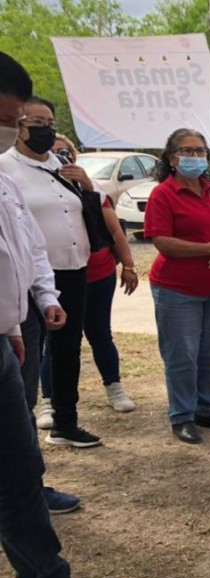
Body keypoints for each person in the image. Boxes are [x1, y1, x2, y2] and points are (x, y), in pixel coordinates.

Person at [0, 48, 125, 578]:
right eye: (12, 119)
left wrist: (29, 308)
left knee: (19, 468)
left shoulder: (23, 177)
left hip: (10, 332)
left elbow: (23, 246)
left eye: (15, 117)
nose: (15, 128)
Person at [0, 96, 104, 448]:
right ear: (19, 126)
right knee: (30, 350)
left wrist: (87, 185)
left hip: (73, 268)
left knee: (68, 348)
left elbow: (91, 211)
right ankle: (29, 421)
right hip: (28, 280)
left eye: (50, 123)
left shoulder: (60, 165)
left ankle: (66, 420)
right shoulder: (7, 169)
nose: (46, 131)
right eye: (37, 124)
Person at [144, 128, 210, 444]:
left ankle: (206, 407)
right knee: (181, 354)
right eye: (188, 151)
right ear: (172, 158)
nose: (195, 157)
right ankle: (182, 415)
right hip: (177, 290)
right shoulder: (164, 194)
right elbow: (163, 242)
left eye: (200, 151)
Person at [37, 134, 138, 420]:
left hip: (97, 275)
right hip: (55, 277)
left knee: (100, 334)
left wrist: (128, 265)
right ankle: (49, 401)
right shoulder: (33, 190)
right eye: (55, 152)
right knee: (54, 342)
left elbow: (115, 231)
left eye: (66, 152)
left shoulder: (95, 191)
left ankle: (114, 387)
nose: (62, 158)